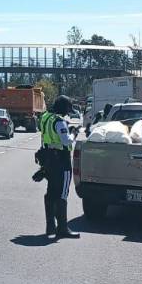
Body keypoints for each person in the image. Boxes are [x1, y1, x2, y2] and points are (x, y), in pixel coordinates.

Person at [34, 95, 79, 239]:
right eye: (67, 109)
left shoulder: (46, 117)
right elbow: (66, 142)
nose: (67, 113)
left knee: (51, 192)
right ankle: (63, 228)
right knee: (62, 194)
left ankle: (50, 226)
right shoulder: (59, 122)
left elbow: (47, 136)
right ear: (63, 108)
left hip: (48, 159)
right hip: (62, 160)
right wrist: (73, 134)